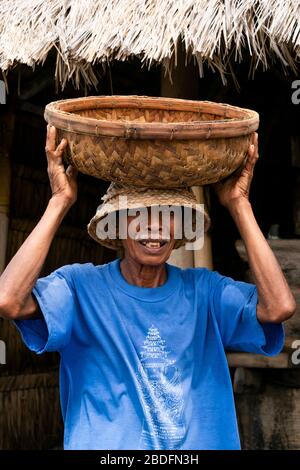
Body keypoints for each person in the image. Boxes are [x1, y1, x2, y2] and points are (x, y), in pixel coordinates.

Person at [0, 125, 296, 450]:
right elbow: (8, 300)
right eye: (138, 213)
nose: (153, 226)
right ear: (117, 225)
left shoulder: (205, 293)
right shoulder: (79, 287)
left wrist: (239, 204)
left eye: (167, 213)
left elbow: (278, 307)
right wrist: (59, 201)